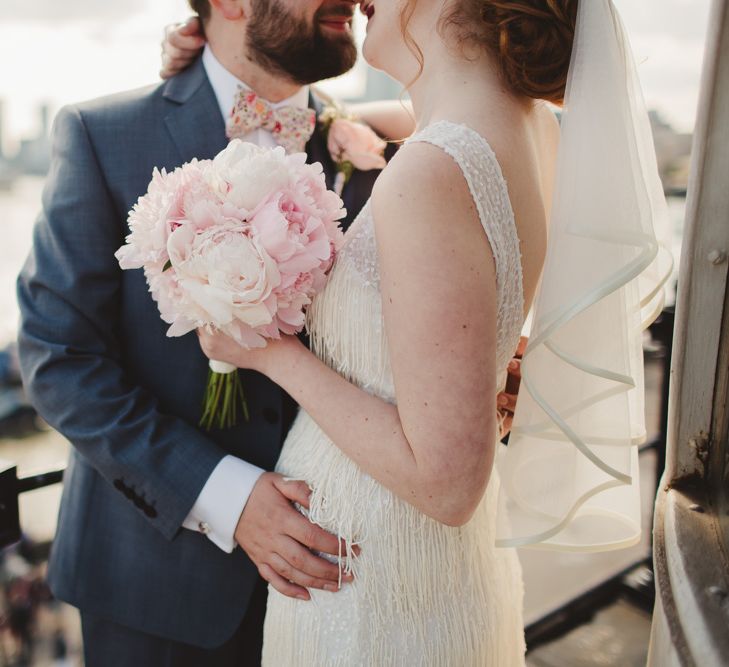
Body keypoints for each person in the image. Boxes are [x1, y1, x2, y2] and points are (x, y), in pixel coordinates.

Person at [17, 1, 523, 665]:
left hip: (347, 586)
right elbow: (59, 359)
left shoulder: (374, 152)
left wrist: (484, 374)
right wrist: (225, 496)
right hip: (157, 590)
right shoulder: (101, 134)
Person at [190, 0, 569, 662]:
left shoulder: (431, 168)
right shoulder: (533, 125)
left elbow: (448, 483)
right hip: (423, 572)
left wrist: (270, 354)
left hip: (373, 588)